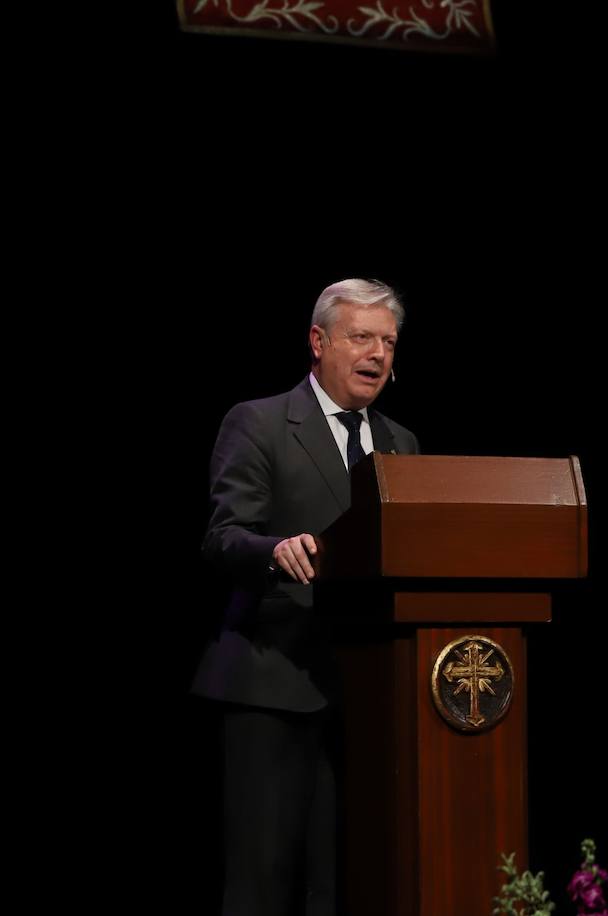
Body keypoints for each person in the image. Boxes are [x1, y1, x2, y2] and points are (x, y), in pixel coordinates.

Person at [191, 278, 420, 915]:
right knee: (263, 882)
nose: (378, 353)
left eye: (389, 342)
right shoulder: (259, 422)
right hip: (273, 685)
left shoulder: (402, 445)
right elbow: (223, 535)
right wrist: (273, 551)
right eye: (362, 337)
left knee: (351, 878)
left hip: (371, 694)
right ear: (318, 342)